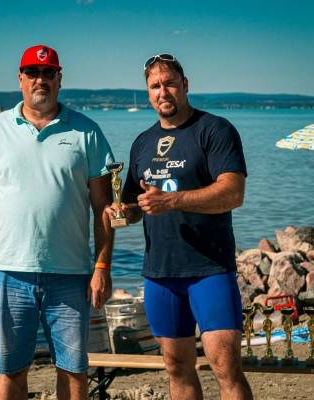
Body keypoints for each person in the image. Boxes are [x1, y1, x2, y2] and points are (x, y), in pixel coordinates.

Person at [0, 44, 114, 400]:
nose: (40, 80)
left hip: (71, 274)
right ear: (20, 79)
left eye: (48, 73)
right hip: (10, 272)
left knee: (73, 371)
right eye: (32, 72)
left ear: (59, 79)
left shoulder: (87, 132)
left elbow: (104, 208)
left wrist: (102, 266)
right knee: (12, 370)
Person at [106, 53, 253, 400]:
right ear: (148, 93)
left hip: (209, 269)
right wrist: (120, 212)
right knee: (177, 368)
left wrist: (172, 200)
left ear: (184, 85)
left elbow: (233, 193)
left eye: (170, 83)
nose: (163, 92)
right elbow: (136, 206)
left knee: (226, 368)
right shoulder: (143, 142)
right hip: (160, 274)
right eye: (155, 86)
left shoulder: (214, 130)